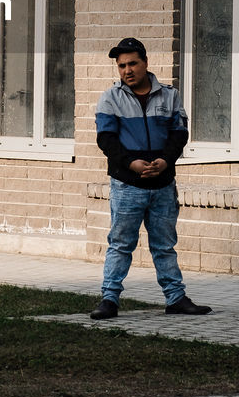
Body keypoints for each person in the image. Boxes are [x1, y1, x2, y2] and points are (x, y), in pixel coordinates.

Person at [90, 37, 210, 319]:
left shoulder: (170, 96)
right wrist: (131, 163)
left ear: (145, 63)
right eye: (121, 66)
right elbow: (106, 140)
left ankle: (176, 299)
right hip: (127, 185)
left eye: (132, 63)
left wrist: (165, 161)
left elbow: (179, 134)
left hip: (163, 185)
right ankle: (109, 300)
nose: (126, 70)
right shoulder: (110, 98)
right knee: (121, 244)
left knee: (164, 245)